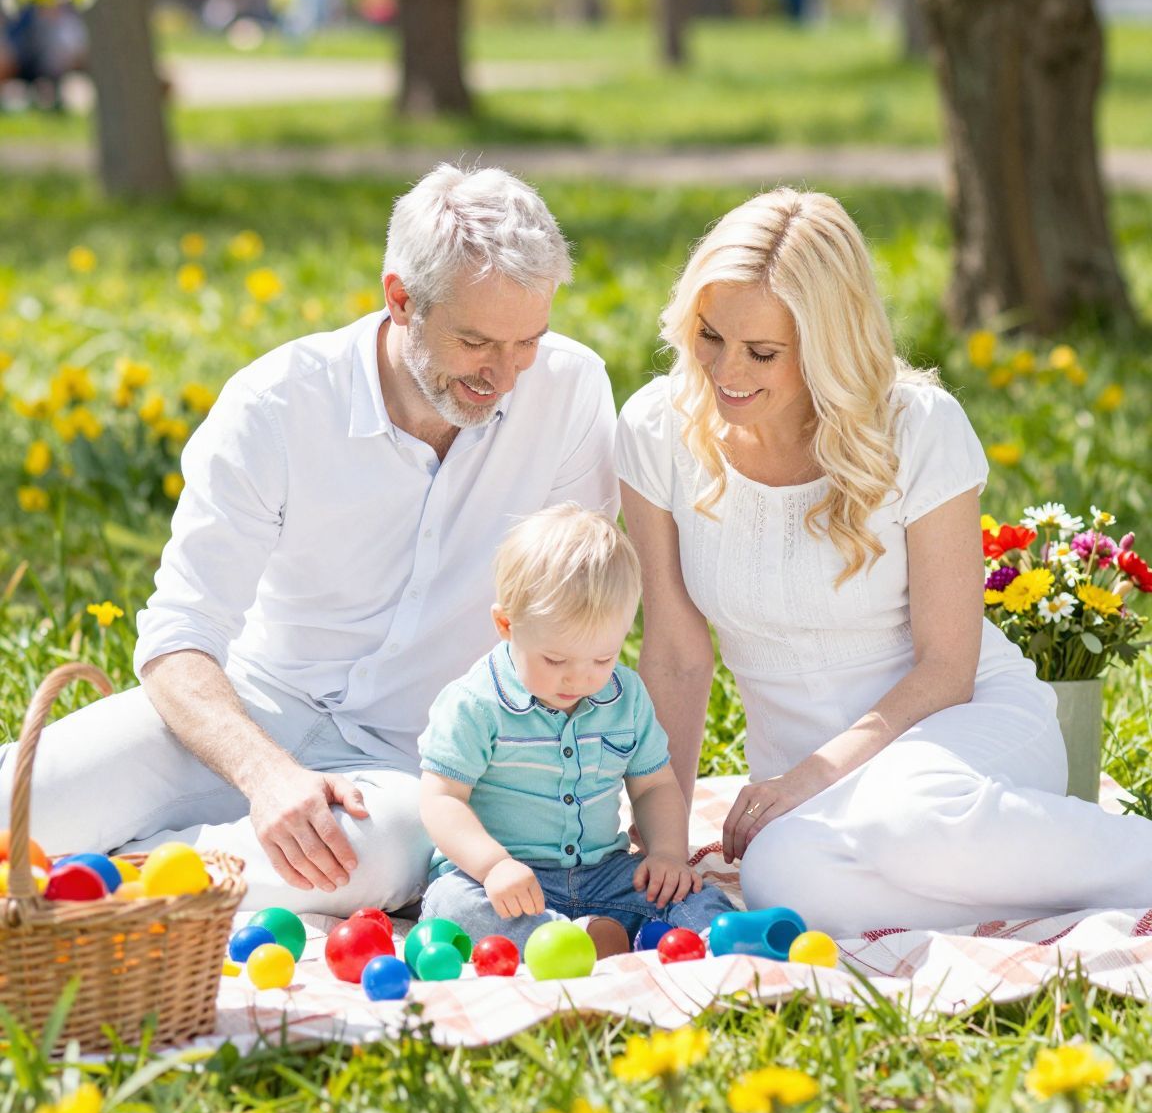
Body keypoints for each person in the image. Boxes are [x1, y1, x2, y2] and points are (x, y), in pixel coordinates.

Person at [0, 166, 618, 914]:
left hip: (415, 762)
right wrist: (267, 778)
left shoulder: (571, 390)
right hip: (247, 715)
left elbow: (576, 611)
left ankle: (106, 879)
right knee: (20, 800)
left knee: (359, 866)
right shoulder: (277, 405)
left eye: (528, 342)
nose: (506, 374)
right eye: (477, 342)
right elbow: (179, 637)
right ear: (401, 300)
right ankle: (137, 859)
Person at [615, 188, 1152, 937]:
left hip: (960, 730)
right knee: (781, 881)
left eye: (762, 353)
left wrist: (814, 774)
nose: (724, 371)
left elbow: (946, 669)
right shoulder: (654, 428)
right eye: (709, 336)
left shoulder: (918, 426)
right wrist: (664, 841)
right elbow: (674, 653)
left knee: (905, 812)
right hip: (812, 796)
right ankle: (1050, 886)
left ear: (827, 345)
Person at [417, 503, 724, 955]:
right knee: (452, 905)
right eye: (556, 660)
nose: (579, 679)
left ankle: (718, 939)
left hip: (604, 871)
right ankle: (566, 939)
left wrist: (667, 855)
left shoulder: (626, 697)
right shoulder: (475, 704)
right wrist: (493, 865)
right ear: (506, 624)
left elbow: (654, 786)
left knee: (689, 892)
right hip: (508, 879)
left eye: (602, 658)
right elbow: (442, 799)